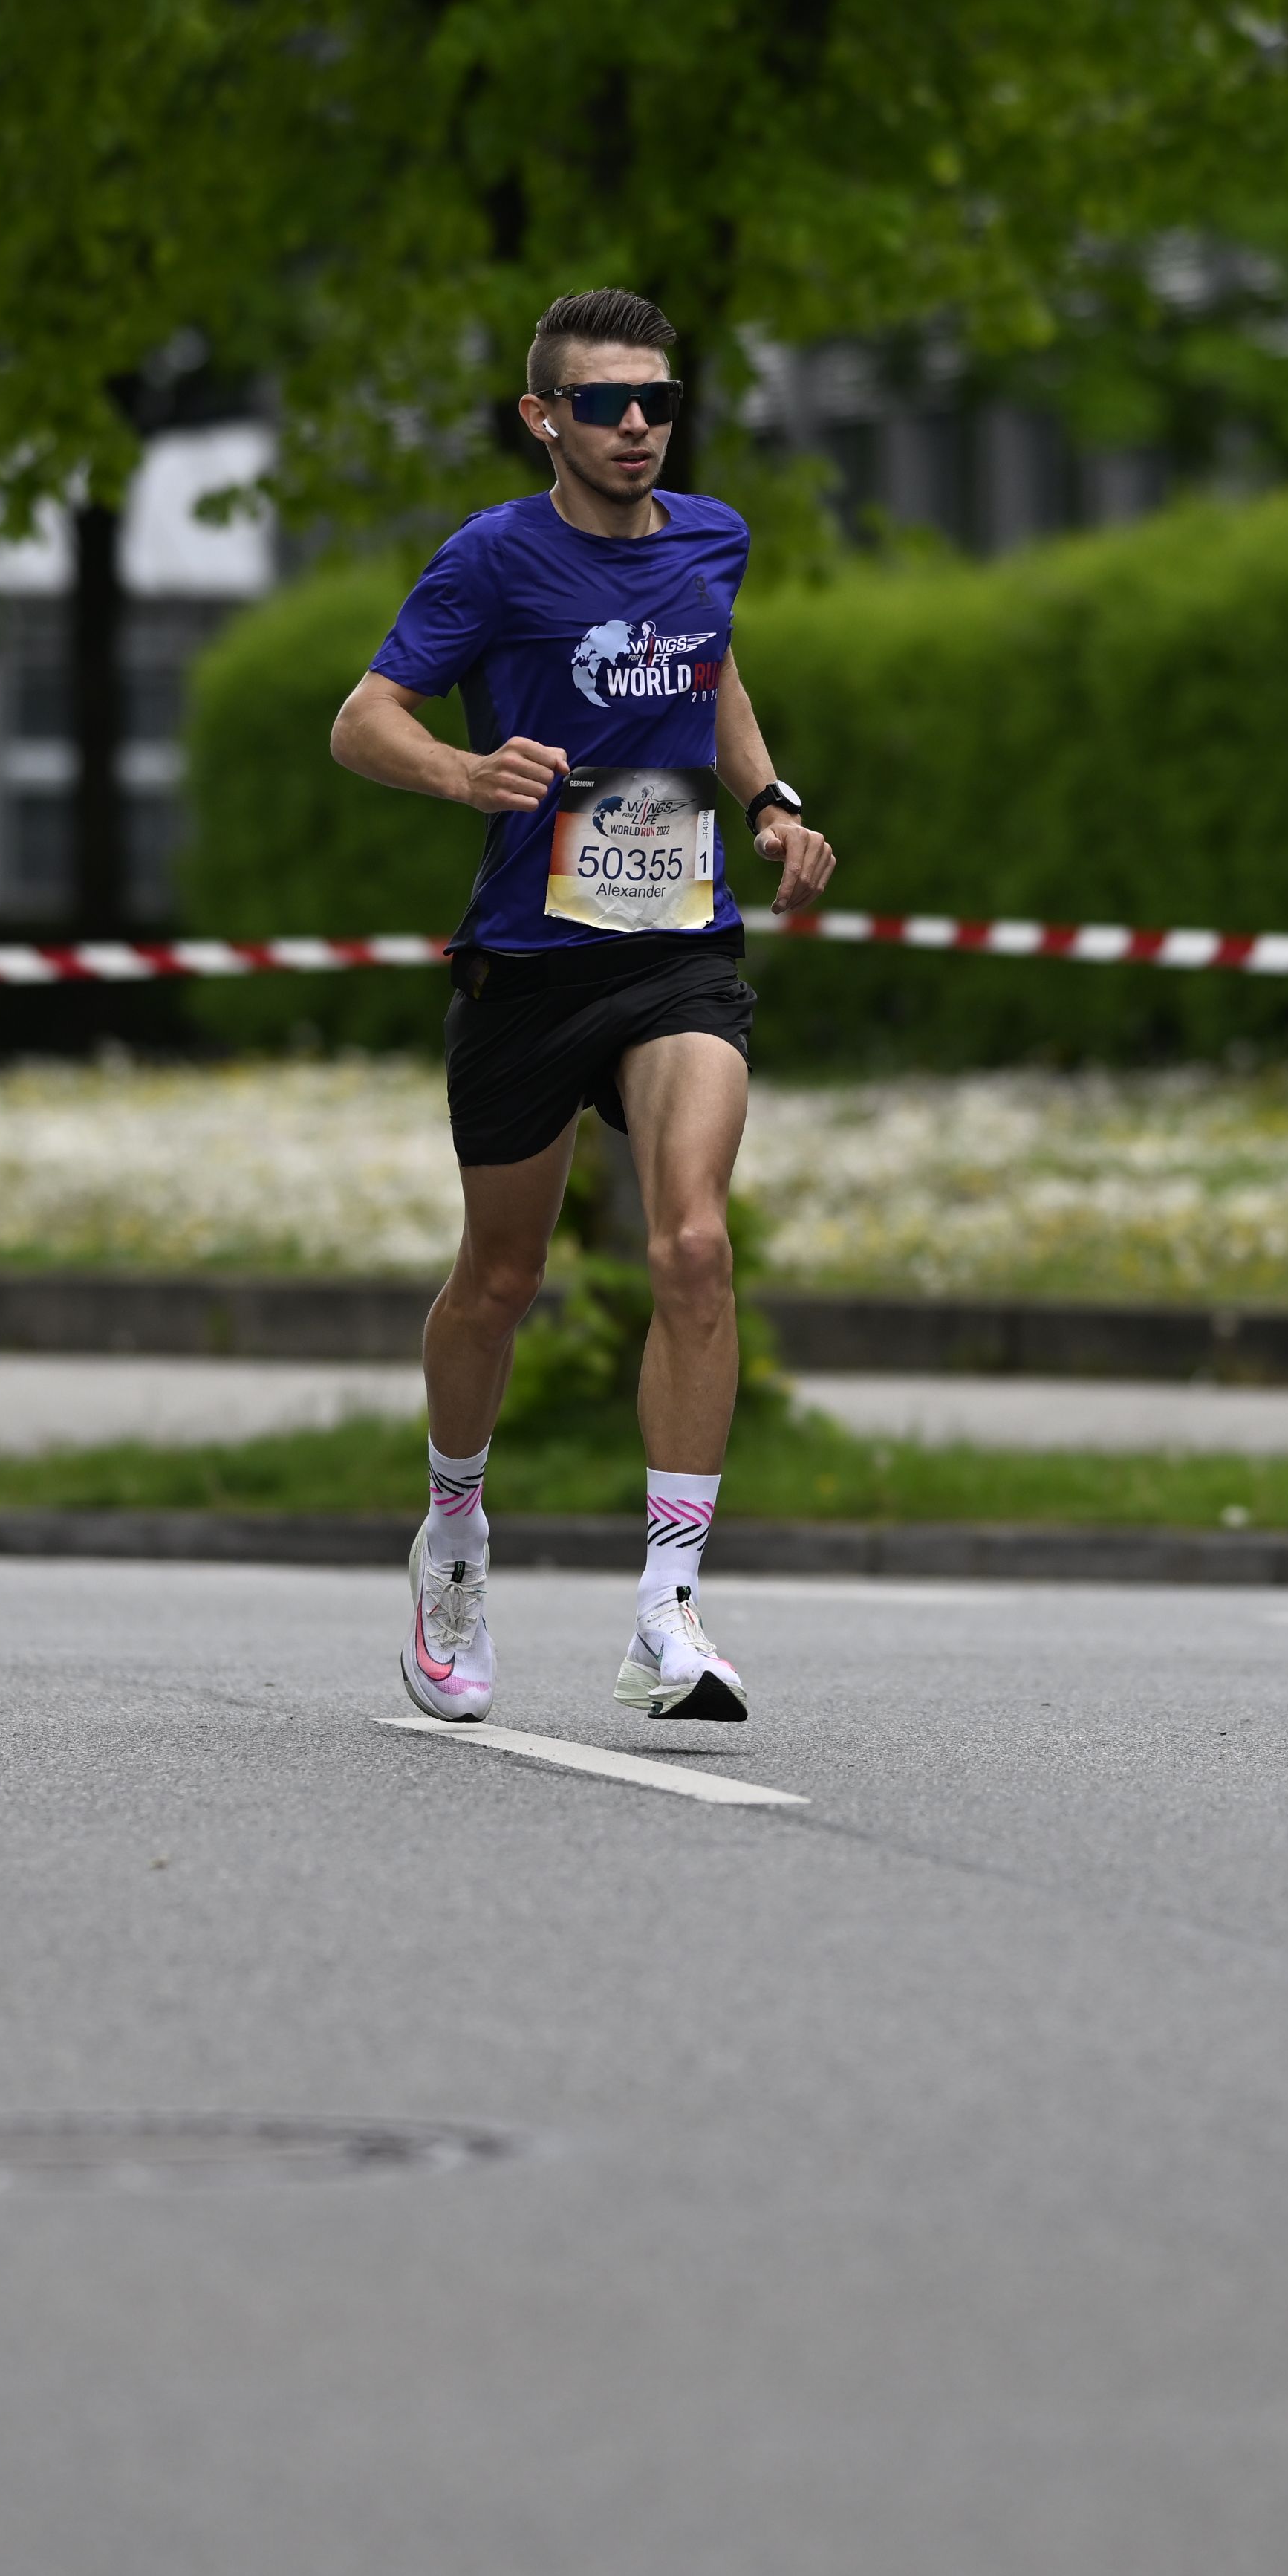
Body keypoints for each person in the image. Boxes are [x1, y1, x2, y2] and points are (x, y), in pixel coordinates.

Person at [331, 288, 837, 1727]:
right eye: (605, 403)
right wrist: (464, 773)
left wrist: (771, 798)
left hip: (677, 954)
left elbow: (712, 665)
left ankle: (669, 1609)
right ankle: (454, 1532)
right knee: (501, 1280)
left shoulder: (711, 538)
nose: (636, 426)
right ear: (541, 418)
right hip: (527, 965)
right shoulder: (494, 557)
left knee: (693, 1244)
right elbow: (362, 720)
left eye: (657, 402)